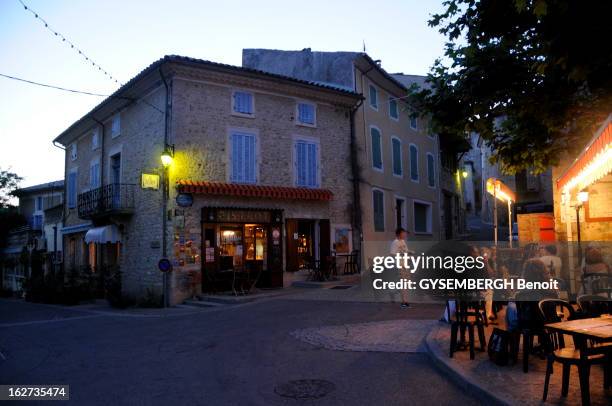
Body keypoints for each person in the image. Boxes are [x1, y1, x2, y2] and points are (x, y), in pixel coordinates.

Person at [390, 227, 411, 308]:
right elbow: (392, 254)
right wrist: (400, 255)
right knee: (403, 283)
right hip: (400, 265)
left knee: (406, 283)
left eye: (405, 233)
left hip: (405, 265)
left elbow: (405, 251)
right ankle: (404, 302)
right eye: (403, 233)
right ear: (399, 234)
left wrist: (410, 253)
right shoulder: (395, 243)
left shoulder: (403, 241)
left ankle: (401, 298)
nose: (405, 234)